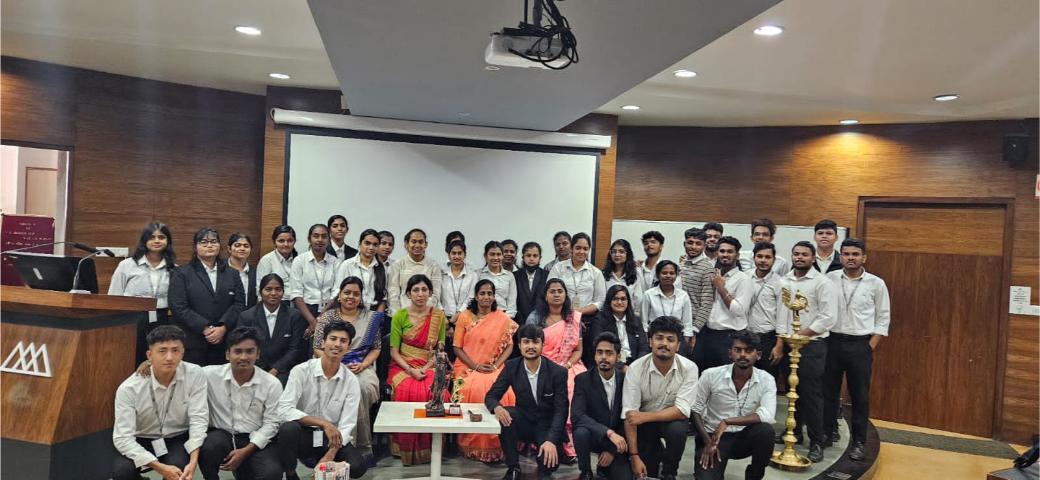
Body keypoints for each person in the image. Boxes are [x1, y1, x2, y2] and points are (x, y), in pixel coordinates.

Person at [770, 241, 837, 463]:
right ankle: (795, 432)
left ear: (813, 258)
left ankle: (817, 441)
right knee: (791, 390)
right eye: (796, 254)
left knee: (811, 394)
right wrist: (781, 343)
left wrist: (801, 336)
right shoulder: (785, 281)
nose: (799, 258)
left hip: (812, 344)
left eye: (804, 255)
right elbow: (781, 315)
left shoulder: (822, 283)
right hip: (789, 342)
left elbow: (828, 317)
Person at [824, 238, 890, 461]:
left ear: (864, 257)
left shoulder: (876, 283)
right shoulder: (830, 279)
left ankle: (859, 442)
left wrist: (869, 346)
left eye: (855, 254)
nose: (850, 258)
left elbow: (883, 317)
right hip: (832, 342)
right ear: (840, 256)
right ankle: (827, 433)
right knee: (828, 393)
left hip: (860, 344)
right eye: (846, 254)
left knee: (859, 396)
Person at [112, 325, 207, 480]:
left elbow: (199, 418)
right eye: (162, 351)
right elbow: (122, 438)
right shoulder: (129, 388)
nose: (169, 357)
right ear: (149, 355)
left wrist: (193, 460)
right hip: (141, 438)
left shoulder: (195, 374)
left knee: (179, 469)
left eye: (175, 350)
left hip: (176, 437)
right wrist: (160, 467)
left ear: (183, 352)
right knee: (122, 471)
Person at [276, 320, 368, 479]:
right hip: (303, 433)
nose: (337, 344)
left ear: (348, 347)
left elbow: (347, 424)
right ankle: (290, 473)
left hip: (330, 437)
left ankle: (324, 472)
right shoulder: (301, 371)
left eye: (343, 341)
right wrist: (323, 423)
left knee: (357, 466)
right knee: (288, 429)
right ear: (323, 342)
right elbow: (283, 410)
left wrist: (330, 454)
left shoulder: (351, 380)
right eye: (333, 339)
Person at [312, 276, 386, 456]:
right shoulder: (327, 317)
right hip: (330, 365)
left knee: (360, 388)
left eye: (356, 294)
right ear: (339, 295)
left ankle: (357, 447)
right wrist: (336, 363)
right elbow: (317, 348)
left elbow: (376, 348)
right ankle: (328, 445)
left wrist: (364, 364)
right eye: (347, 293)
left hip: (360, 367)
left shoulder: (370, 318)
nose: (351, 297)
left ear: (361, 297)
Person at [199, 327, 284, 480]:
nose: (243, 357)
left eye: (250, 351)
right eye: (237, 351)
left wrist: (246, 451)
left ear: (258, 354)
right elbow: (182, 371)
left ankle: (244, 470)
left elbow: (272, 423)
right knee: (210, 446)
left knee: (272, 473)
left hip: (255, 438)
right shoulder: (208, 374)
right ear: (227, 354)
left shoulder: (272, 383)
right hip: (223, 435)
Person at [486, 324, 569, 480]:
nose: (531, 346)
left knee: (547, 468)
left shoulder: (558, 372)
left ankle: (546, 460)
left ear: (543, 345)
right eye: (526, 342)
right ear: (519, 345)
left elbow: (561, 411)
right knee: (506, 415)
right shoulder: (512, 367)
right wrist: (497, 407)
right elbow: (491, 396)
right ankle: (513, 468)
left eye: (535, 342)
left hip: (546, 425)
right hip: (524, 420)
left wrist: (551, 440)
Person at [691, 331, 776, 480]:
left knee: (766, 431)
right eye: (738, 350)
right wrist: (707, 442)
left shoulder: (766, 379)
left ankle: (754, 475)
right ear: (730, 353)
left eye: (748, 350)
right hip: (713, 437)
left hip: (744, 438)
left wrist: (727, 421)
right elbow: (695, 410)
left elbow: (767, 415)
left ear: (758, 355)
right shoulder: (710, 375)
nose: (743, 355)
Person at [622, 316, 699, 480]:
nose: (664, 343)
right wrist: (634, 456)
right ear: (650, 341)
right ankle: (654, 454)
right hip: (644, 426)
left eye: (670, 339)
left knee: (678, 430)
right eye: (659, 338)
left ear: (678, 345)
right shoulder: (636, 369)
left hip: (668, 421)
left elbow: (682, 411)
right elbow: (630, 416)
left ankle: (669, 472)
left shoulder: (689, 368)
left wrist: (645, 416)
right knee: (648, 472)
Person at [451, 279, 519, 462]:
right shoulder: (465, 316)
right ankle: (475, 444)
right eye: (482, 293)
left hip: (494, 366)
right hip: (467, 366)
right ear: (475, 296)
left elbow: (509, 346)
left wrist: (496, 365)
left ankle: (502, 444)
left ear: (494, 296)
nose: (486, 297)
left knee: (508, 392)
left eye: (490, 293)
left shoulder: (501, 318)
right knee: (472, 389)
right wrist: (475, 366)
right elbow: (457, 347)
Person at [387, 274, 448, 464]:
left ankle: (432, 448)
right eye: (415, 290)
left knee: (436, 391)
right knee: (407, 390)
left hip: (430, 364)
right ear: (408, 294)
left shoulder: (438, 316)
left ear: (430, 293)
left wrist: (426, 367)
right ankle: (405, 448)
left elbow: (440, 349)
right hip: (402, 365)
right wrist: (410, 370)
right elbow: (394, 352)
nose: (420, 294)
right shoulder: (400, 316)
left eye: (424, 290)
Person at [526, 277, 587, 459]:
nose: (556, 294)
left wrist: (567, 365)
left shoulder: (573, 318)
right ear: (545, 295)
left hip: (569, 364)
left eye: (560, 291)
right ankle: (545, 440)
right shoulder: (535, 317)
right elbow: (529, 347)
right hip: (541, 364)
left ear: (566, 295)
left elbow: (578, 350)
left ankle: (569, 445)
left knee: (574, 385)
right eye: (552, 291)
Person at [169, 227, 246, 365]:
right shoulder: (181, 273)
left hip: (224, 340)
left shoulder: (232, 273)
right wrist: (205, 328)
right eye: (204, 242)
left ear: (219, 245)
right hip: (194, 340)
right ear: (195, 247)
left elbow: (239, 304)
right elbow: (178, 307)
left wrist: (223, 327)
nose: (209, 245)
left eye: (214, 242)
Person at [109, 221, 177, 364]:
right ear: (144, 240)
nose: (157, 241)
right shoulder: (127, 265)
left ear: (168, 241)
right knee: (131, 358)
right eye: (152, 237)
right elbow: (114, 297)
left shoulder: (174, 268)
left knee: (157, 360)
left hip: (161, 319)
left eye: (161, 237)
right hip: (131, 319)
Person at [571, 332, 632, 480]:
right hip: (594, 435)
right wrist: (608, 432)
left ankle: (604, 467)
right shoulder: (582, 380)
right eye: (599, 352)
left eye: (609, 353)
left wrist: (612, 451)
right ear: (594, 356)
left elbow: (628, 417)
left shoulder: (626, 380)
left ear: (618, 357)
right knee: (580, 432)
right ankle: (585, 471)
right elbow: (577, 415)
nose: (603, 357)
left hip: (618, 441)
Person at [235, 274, 306, 385]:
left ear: (283, 292)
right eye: (268, 289)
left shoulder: (294, 316)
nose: (273, 293)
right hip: (255, 368)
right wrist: (262, 371)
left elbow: (295, 349)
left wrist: (275, 369)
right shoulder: (247, 317)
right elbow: (244, 347)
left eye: (278, 289)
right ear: (260, 292)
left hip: (285, 369)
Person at [548, 232, 605, 369]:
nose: (581, 252)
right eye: (578, 248)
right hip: (562, 319)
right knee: (562, 359)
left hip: (588, 321)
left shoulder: (595, 272)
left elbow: (600, 301)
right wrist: (568, 313)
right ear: (572, 248)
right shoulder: (558, 268)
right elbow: (549, 291)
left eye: (585, 249)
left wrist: (578, 312)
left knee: (589, 359)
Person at [701, 236, 754, 370]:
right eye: (722, 251)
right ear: (717, 253)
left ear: (737, 255)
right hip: (708, 334)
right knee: (707, 375)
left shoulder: (743, 279)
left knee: (726, 376)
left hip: (730, 336)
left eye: (730, 251)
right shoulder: (713, 275)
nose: (725, 255)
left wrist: (721, 288)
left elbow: (739, 310)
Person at [289, 224, 338, 336]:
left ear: (329, 240)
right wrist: (312, 321)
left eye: (324, 236)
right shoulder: (299, 261)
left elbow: (336, 293)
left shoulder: (335, 262)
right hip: (304, 311)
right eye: (316, 236)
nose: (320, 240)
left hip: (328, 310)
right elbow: (296, 293)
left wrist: (320, 319)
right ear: (309, 239)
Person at [590, 285, 649, 370]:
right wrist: (622, 367)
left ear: (628, 301)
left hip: (634, 364)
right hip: (610, 365)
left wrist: (636, 366)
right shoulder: (599, 320)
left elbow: (644, 348)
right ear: (609, 301)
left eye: (623, 299)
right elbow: (598, 349)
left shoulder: (635, 320)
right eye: (615, 299)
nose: (619, 302)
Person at [745, 242, 784, 372]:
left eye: (767, 257)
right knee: (744, 375)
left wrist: (779, 345)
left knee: (768, 377)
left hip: (768, 338)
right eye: (759, 256)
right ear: (753, 257)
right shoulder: (744, 277)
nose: (763, 260)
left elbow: (783, 316)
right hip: (746, 336)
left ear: (774, 260)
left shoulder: (780, 283)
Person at [678, 228, 715, 359]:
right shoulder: (681, 264)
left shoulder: (707, 268)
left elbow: (707, 303)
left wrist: (694, 330)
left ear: (704, 246)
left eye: (698, 243)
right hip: (678, 324)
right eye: (690, 242)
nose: (693, 247)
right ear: (684, 244)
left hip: (695, 329)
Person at [387, 228, 442, 312]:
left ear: (426, 245)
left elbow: (435, 294)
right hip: (403, 314)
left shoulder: (434, 266)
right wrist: (399, 315)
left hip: (427, 314)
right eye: (414, 241)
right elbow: (393, 294)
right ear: (406, 244)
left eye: (421, 242)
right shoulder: (397, 265)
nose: (417, 245)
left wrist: (421, 314)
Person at [641, 261, 694, 348]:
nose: (668, 276)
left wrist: (684, 344)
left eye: (672, 273)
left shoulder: (683, 295)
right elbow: (644, 322)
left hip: (676, 339)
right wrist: (648, 342)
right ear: (658, 275)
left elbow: (687, 323)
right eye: (664, 273)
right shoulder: (649, 294)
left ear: (676, 275)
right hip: (655, 338)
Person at [336, 228, 388, 310]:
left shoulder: (380, 267)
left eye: (375, 245)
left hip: (374, 312)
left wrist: (378, 315)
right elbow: (338, 291)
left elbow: (383, 297)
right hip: (351, 310)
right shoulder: (347, 265)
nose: (371, 247)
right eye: (367, 243)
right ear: (360, 244)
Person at [255, 225, 298, 303]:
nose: (286, 244)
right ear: (274, 242)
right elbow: (260, 290)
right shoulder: (267, 260)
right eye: (281, 241)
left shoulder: (299, 260)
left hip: (298, 302)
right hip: (276, 303)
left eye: (290, 240)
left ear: (294, 242)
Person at [601, 239, 645, 313]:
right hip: (606, 316)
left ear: (628, 254)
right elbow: (601, 299)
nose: (617, 254)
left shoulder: (636, 274)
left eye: (621, 252)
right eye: (614, 251)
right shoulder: (603, 274)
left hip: (629, 315)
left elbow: (639, 300)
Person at [479, 241, 519, 318]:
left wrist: (501, 320)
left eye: (498, 254)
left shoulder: (509, 276)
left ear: (502, 256)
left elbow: (512, 306)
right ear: (485, 256)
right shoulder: (478, 274)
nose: (496, 258)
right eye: (492, 254)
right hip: (482, 317)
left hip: (504, 317)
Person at [440, 240, 477, 320]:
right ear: (449, 255)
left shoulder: (472, 275)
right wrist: (442, 316)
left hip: (465, 318)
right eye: (453, 253)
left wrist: (458, 315)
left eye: (460, 253)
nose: (456, 256)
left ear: (465, 255)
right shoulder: (441, 274)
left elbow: (471, 298)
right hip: (443, 318)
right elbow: (437, 297)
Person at [515, 241, 549, 328]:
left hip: (540, 323)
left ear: (540, 258)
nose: (531, 259)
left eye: (535, 256)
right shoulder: (515, 276)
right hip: (519, 323)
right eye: (528, 255)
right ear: (523, 257)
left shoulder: (547, 275)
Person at [226, 233, 257, 308]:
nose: (242, 249)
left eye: (246, 246)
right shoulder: (220, 269)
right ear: (229, 249)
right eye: (237, 245)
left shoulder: (255, 273)